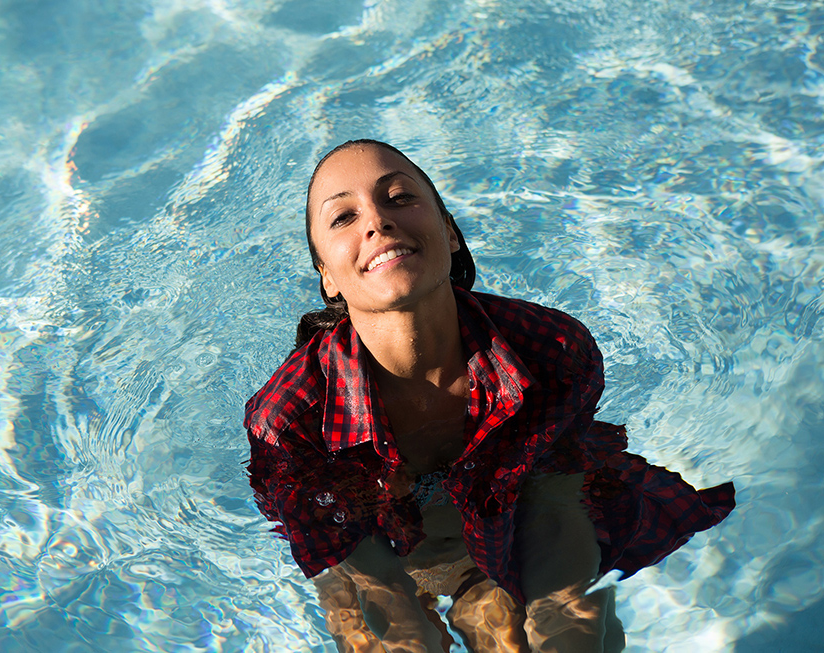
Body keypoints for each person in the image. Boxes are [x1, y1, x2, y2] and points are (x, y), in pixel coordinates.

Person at [245, 140, 735, 652]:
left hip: (506, 526)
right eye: (344, 216)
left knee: (569, 634)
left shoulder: (551, 351)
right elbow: (363, 565)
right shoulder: (289, 422)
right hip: (370, 553)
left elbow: (553, 506)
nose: (377, 222)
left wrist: (559, 620)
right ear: (327, 276)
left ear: (450, 232)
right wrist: (408, 629)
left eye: (398, 198)